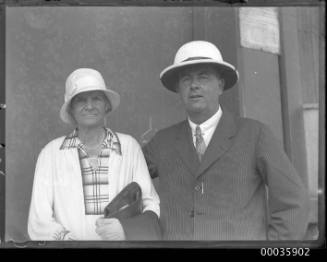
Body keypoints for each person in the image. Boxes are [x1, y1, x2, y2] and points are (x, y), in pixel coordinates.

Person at [143, 40, 310, 240]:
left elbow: (293, 202)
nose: (194, 85)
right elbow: (124, 176)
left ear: (220, 85)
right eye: (186, 79)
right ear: (178, 89)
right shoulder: (162, 142)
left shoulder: (255, 134)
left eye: (203, 77)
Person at [28, 68, 161, 241]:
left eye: (96, 98)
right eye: (81, 100)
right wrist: (69, 242)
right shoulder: (50, 154)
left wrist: (126, 230)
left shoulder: (129, 147)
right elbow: (39, 221)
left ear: (107, 105)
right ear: (71, 109)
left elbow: (150, 203)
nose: (89, 106)